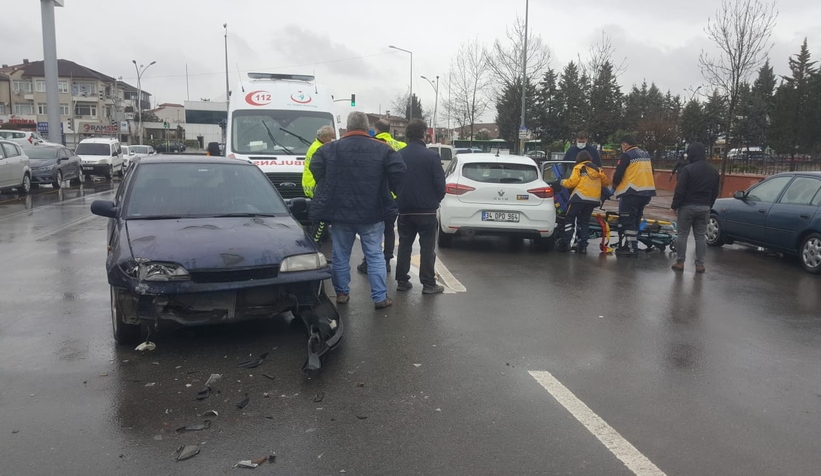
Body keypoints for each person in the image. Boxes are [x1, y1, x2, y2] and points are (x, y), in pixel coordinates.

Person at [309, 112, 406, 309]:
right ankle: (380, 297)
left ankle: (342, 293)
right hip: (372, 212)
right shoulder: (382, 149)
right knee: (374, 254)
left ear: (348, 125)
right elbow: (399, 169)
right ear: (366, 127)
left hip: (340, 212)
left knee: (340, 255)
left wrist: (328, 184)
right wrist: (387, 187)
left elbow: (315, 166)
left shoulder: (330, 148)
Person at [394, 119, 446, 294]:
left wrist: (400, 196)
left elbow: (393, 181)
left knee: (404, 245)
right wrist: (435, 200)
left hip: (405, 209)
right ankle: (428, 283)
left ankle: (402, 280)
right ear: (424, 134)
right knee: (427, 247)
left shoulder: (399, 155)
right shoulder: (431, 156)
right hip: (427, 210)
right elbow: (440, 184)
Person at [357, 119, 406, 274]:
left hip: (375, 195)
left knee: (372, 229)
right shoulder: (401, 146)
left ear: (376, 129)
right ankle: (386, 261)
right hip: (394, 195)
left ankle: (368, 261)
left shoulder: (371, 144)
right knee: (389, 229)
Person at [671, 142, 719, 273]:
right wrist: (709, 205)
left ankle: (680, 262)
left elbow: (680, 189)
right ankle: (700, 264)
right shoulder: (713, 171)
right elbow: (715, 191)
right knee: (700, 236)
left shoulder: (688, 169)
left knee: (682, 235)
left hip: (687, 207)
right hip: (704, 208)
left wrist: (675, 205)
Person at [612, 134, 657, 257]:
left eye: (622, 145)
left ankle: (632, 248)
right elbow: (652, 172)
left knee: (628, 221)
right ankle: (631, 244)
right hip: (646, 193)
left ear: (625, 144)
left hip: (631, 192)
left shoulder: (627, 155)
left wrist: (614, 186)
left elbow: (618, 173)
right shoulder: (645, 155)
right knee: (636, 219)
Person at [559, 150, 611, 254]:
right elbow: (606, 183)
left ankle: (566, 243)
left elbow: (572, 183)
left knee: (570, 218)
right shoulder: (598, 170)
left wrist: (562, 182)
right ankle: (583, 246)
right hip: (593, 200)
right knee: (584, 222)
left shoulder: (579, 167)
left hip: (579, 198)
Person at [302, 125, 336, 243]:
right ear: (325, 137)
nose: (333, 140)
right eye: (332, 137)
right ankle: (315, 247)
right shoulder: (318, 149)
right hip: (315, 186)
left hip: (314, 184)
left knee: (320, 224)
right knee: (320, 222)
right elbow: (317, 169)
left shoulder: (318, 146)